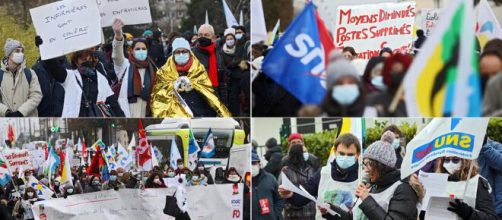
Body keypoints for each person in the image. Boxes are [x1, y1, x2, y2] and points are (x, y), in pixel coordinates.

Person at [320, 131, 419, 220]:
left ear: (381, 166)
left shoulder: (403, 189)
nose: (366, 170)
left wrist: (367, 200)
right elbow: (355, 217)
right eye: (364, 164)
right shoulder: (372, 185)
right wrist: (331, 211)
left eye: (369, 164)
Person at [278, 133, 361, 219]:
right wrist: (290, 194)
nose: (345, 158)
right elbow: (303, 196)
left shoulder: (363, 177)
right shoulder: (323, 173)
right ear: (335, 151)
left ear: (357, 154)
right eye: (342, 153)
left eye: (350, 155)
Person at [40, 39, 125, 117]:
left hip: (97, 122)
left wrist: (124, 122)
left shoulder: (101, 79)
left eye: (89, 59)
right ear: (76, 62)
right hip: (76, 123)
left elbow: (114, 104)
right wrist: (44, 47)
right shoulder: (69, 76)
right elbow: (53, 66)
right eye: (83, 59)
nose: (87, 62)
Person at [150, 37, 231, 117]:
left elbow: (209, 94)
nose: (181, 54)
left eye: (184, 51)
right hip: (174, 119)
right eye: (177, 52)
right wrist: (172, 87)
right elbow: (158, 98)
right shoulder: (164, 72)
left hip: (198, 116)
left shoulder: (198, 69)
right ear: (173, 54)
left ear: (189, 53)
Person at [419, 156, 498, 220]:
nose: (450, 164)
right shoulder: (436, 181)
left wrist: (469, 213)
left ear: (465, 161)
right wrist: (424, 212)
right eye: (446, 160)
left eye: (455, 160)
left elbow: (491, 217)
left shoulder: (477, 182)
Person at [110, 19, 158, 117]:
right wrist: (118, 35)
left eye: (144, 49)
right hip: (129, 109)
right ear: (131, 51)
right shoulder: (125, 65)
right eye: (138, 49)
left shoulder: (153, 68)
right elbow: (116, 55)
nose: (141, 51)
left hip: (147, 111)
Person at [0, 38, 42, 117]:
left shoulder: (30, 73)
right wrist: (6, 112)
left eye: (22, 51)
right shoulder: (0, 74)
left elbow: (36, 95)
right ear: (9, 55)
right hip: (6, 124)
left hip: (28, 123)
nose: (21, 54)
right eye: (17, 51)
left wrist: (21, 112)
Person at [278, 144, 317, 220]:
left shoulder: (311, 168)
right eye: (303, 152)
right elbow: (281, 192)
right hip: (294, 214)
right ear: (297, 154)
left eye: (306, 151)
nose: (306, 154)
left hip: (312, 212)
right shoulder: (286, 170)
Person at [192, 24, 225, 99]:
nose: (202, 37)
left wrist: (224, 104)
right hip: (198, 97)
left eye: (206, 35)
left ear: (213, 38)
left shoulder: (219, 55)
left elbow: (222, 83)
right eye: (200, 35)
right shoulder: (191, 54)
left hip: (215, 96)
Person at [219, 27, 245, 116]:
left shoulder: (239, 49)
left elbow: (242, 60)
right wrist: (229, 71)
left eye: (231, 39)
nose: (230, 40)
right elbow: (223, 65)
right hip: (229, 78)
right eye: (228, 39)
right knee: (231, 99)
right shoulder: (222, 52)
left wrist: (234, 64)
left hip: (239, 77)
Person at [252, 150, 284, 220]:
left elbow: (280, 198)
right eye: (249, 164)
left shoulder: (270, 178)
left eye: (253, 163)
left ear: (259, 164)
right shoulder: (243, 182)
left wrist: (275, 214)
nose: (251, 166)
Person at [478, 137, 502, 218]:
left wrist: (485, 146)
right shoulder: (464, 149)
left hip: (496, 209)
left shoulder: (496, 146)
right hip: (475, 208)